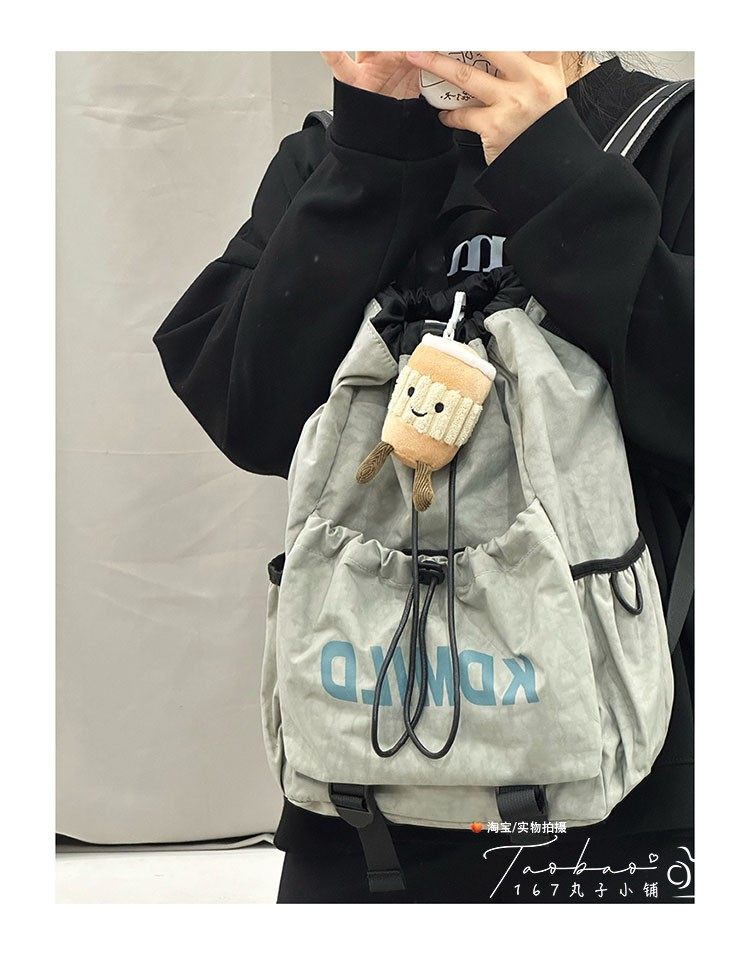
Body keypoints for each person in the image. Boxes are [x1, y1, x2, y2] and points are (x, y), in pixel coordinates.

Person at [153, 51, 694, 903]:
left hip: (625, 799)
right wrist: (371, 155)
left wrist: (555, 171)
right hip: (362, 801)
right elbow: (246, 413)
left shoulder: (675, 139)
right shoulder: (335, 154)